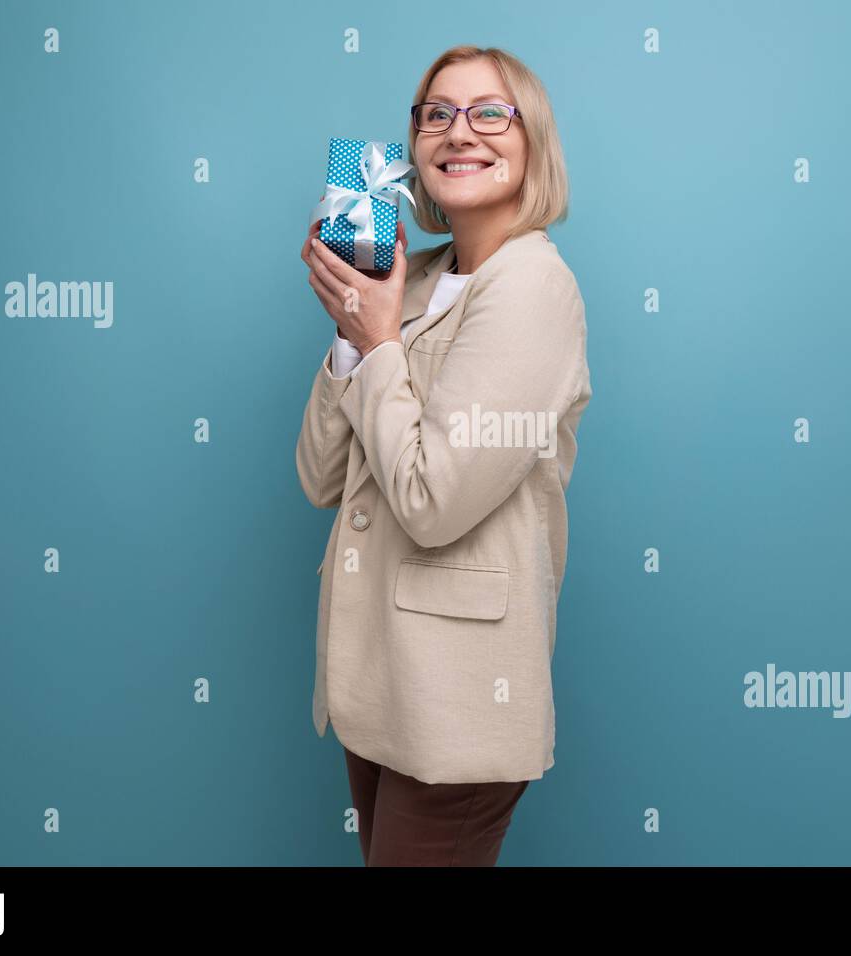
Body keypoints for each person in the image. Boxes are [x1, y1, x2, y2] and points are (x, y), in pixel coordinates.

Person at [296, 44, 591, 866]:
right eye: (437, 114)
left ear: (531, 141)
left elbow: (433, 503)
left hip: (456, 698)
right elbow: (321, 478)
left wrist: (379, 337)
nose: (461, 132)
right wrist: (354, 337)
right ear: (415, 150)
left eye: (490, 113)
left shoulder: (533, 287)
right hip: (380, 681)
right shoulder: (411, 279)